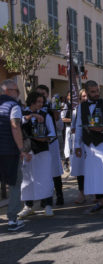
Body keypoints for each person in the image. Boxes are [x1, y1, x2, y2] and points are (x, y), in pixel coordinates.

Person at [74, 80, 103, 217]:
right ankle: (100, 201)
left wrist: (102, 129)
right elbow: (79, 127)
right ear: (86, 93)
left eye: (97, 91)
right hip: (89, 146)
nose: (96, 94)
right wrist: (77, 145)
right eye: (92, 92)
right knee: (94, 175)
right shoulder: (81, 107)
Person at [18, 92, 56, 218]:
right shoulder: (23, 113)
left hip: (42, 150)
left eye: (42, 102)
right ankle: (28, 206)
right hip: (27, 150)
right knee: (27, 179)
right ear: (32, 101)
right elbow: (18, 124)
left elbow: (52, 133)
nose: (40, 104)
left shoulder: (46, 115)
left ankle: (48, 205)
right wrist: (32, 115)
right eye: (38, 101)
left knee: (45, 177)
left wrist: (45, 139)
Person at [0, 79, 30, 231]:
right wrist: (21, 149)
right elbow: (15, 126)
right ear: (7, 91)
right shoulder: (14, 106)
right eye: (15, 90)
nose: (18, 93)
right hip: (9, 152)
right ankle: (12, 219)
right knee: (14, 183)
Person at [35, 85, 65, 206]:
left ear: (47, 94)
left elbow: (60, 127)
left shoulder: (52, 106)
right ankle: (44, 198)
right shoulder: (34, 107)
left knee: (55, 170)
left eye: (43, 93)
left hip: (51, 142)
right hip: (38, 143)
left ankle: (59, 195)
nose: (41, 96)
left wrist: (56, 115)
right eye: (38, 93)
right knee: (42, 171)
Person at [69, 89, 88, 204]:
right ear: (80, 98)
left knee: (91, 168)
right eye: (83, 96)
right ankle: (81, 193)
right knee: (80, 169)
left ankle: (96, 193)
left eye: (87, 96)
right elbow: (73, 127)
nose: (85, 98)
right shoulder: (76, 110)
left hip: (92, 142)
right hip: (80, 142)